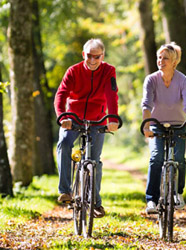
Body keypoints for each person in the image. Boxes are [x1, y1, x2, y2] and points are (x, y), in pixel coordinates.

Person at [54, 38, 119, 218]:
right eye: (89, 56)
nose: (92, 60)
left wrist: (112, 118)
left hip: (97, 119)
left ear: (102, 56)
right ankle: (65, 190)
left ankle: (95, 203)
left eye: (96, 57)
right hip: (72, 118)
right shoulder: (73, 71)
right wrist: (62, 116)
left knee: (94, 161)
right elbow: (61, 95)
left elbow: (111, 95)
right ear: (84, 54)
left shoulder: (108, 71)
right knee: (64, 143)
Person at [141, 42, 186, 213]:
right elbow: (146, 105)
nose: (161, 60)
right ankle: (151, 200)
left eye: (165, 58)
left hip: (178, 125)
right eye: (159, 57)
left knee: (179, 159)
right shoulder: (151, 79)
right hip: (157, 126)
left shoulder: (183, 80)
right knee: (156, 157)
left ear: (174, 62)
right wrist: (146, 125)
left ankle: (178, 193)